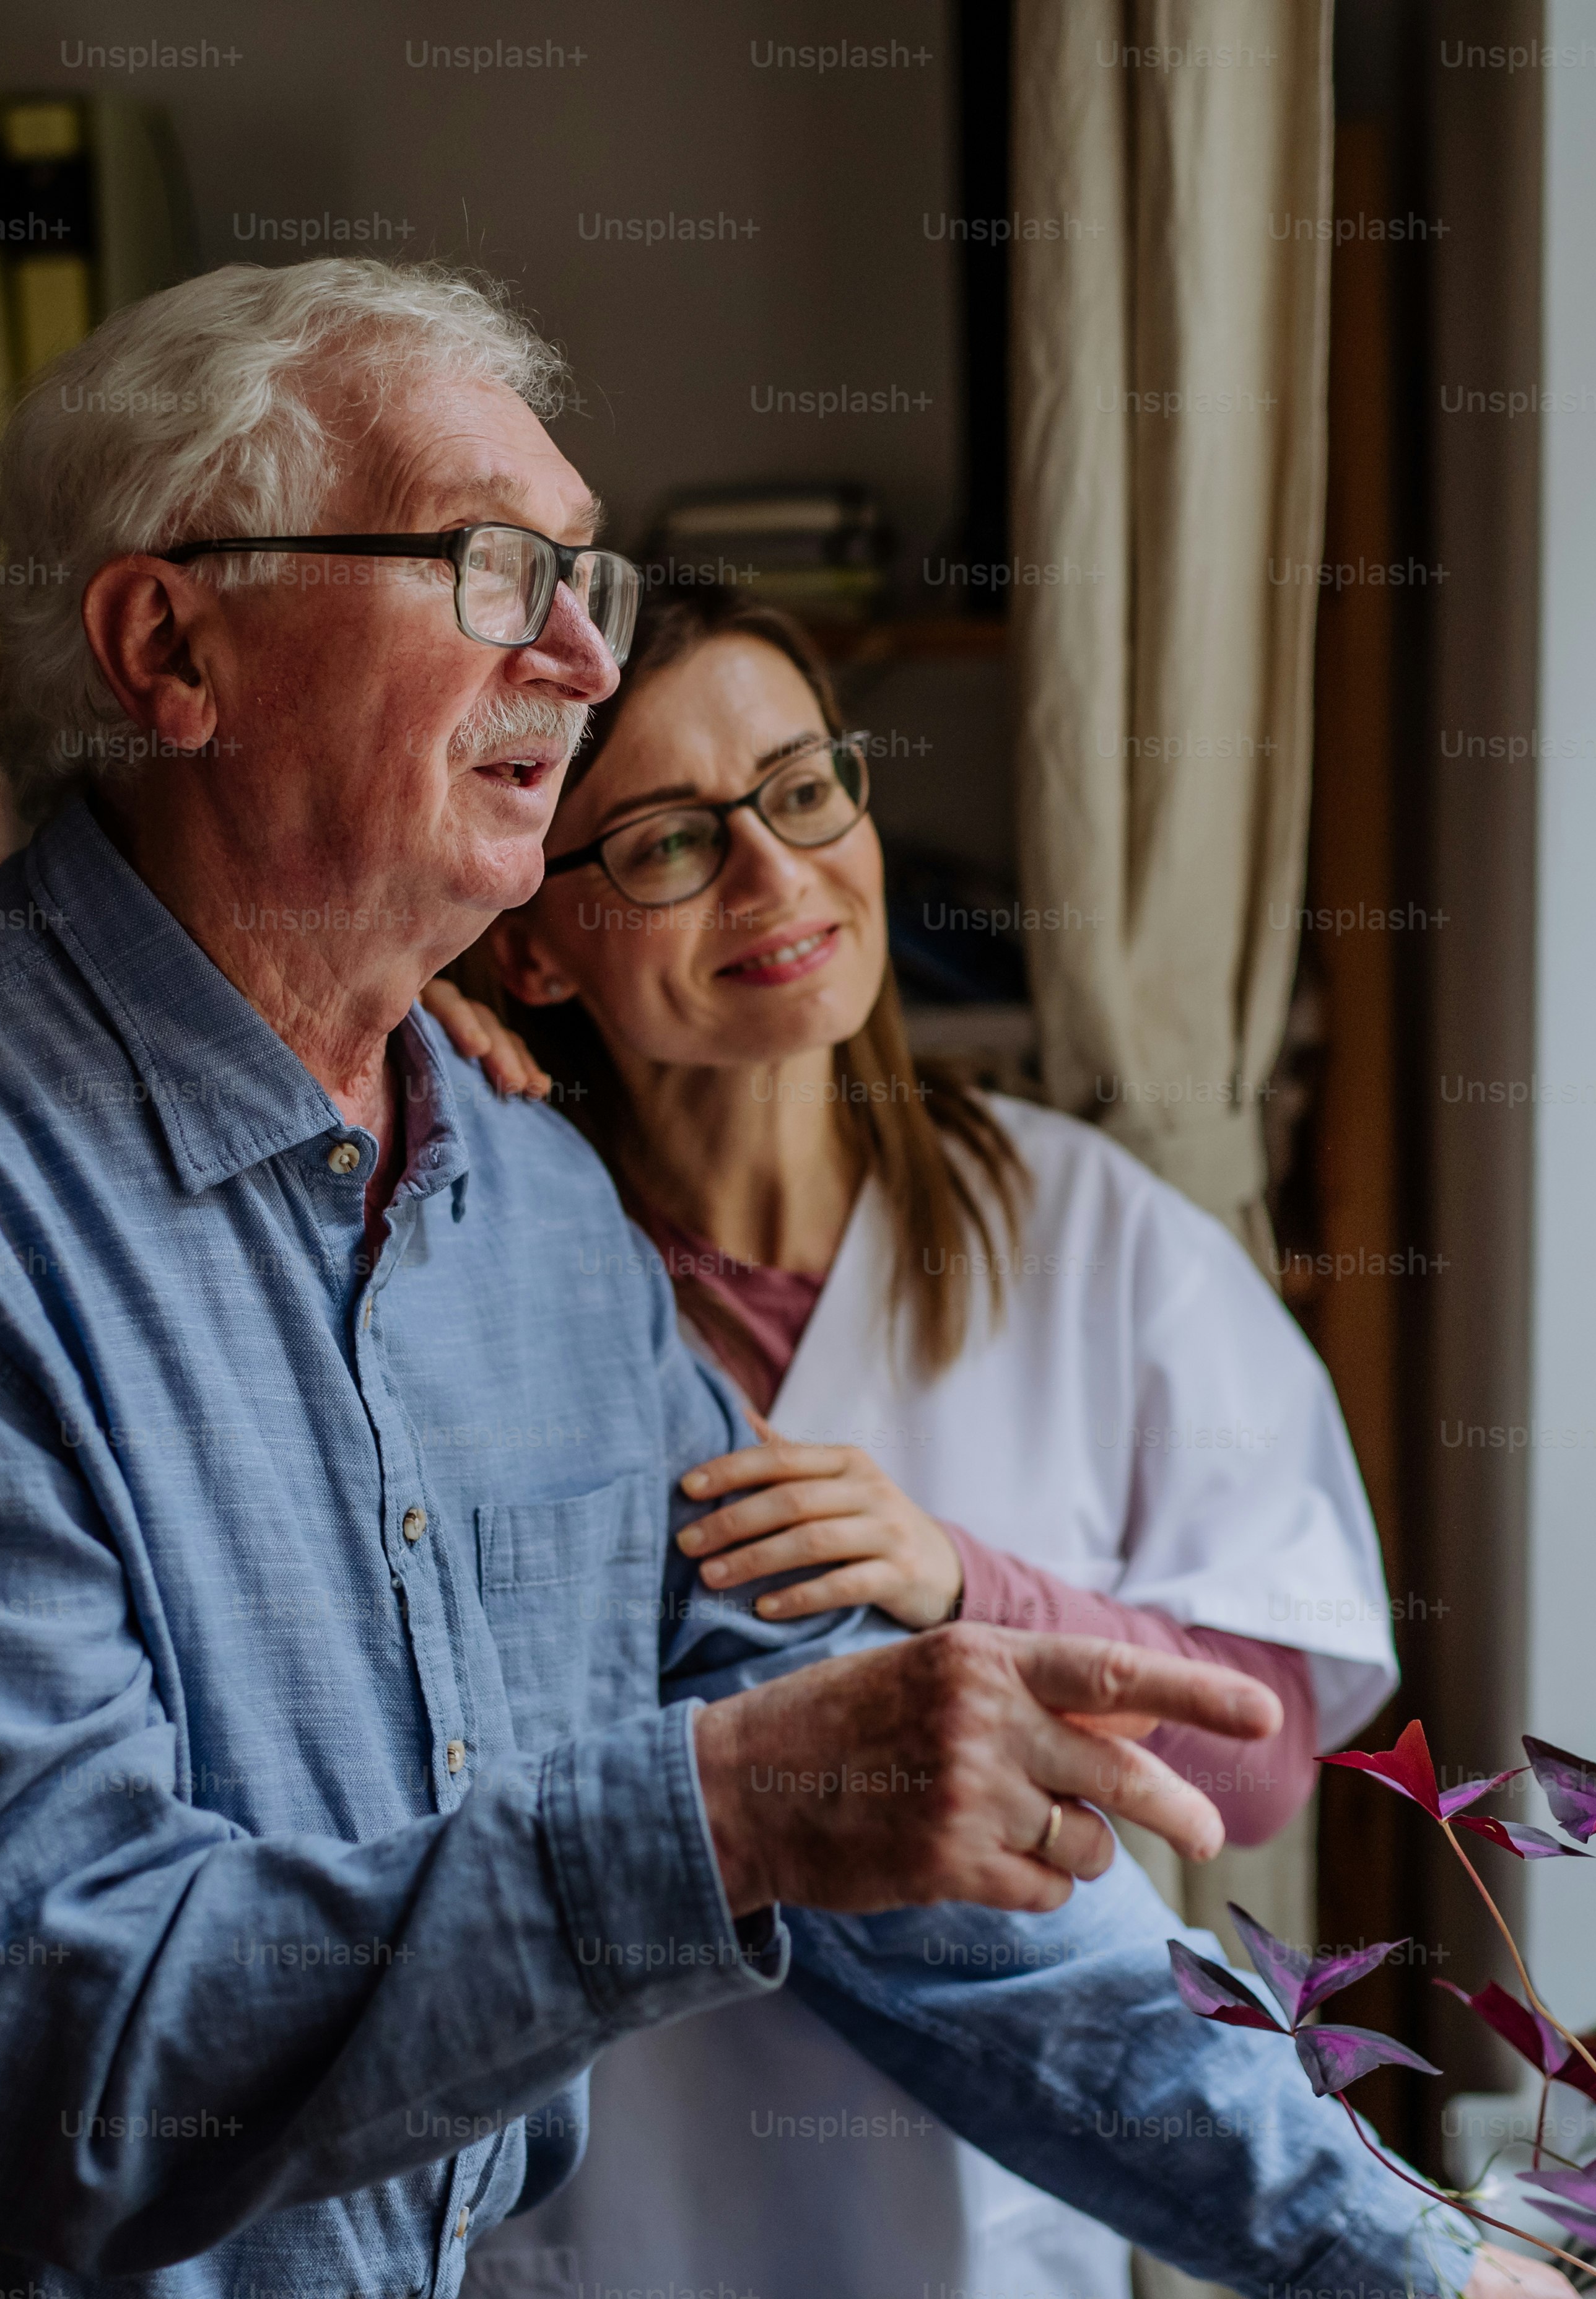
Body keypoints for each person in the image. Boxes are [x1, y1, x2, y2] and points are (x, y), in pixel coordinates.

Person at [0, 256, 1556, 2299]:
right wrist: (730, 1814)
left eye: (591, 577)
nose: (580, 659)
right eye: (489, 569)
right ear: (171, 649)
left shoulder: (536, 1219)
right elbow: (47, 2061)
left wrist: (1435, 2272)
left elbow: (921, 1867)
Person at [427, 591, 1400, 2299]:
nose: (773, 878)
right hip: (609, 2217)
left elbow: (1253, 1762)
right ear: (535, 942)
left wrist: (969, 1586)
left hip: (981, 2227)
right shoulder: (474, 1279)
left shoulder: (1090, 1236)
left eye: (805, 791)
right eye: (664, 842)